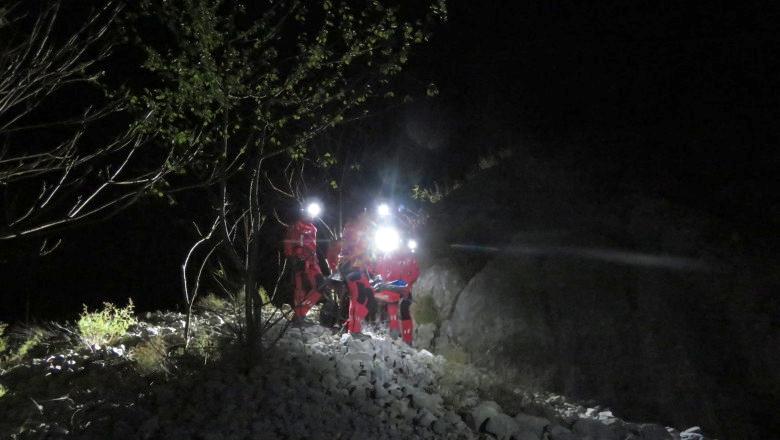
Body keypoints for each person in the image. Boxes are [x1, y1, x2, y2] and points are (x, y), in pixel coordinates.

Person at [284, 203, 325, 324]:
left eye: (313, 213)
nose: (311, 216)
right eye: (309, 213)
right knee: (300, 289)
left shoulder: (313, 228)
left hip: (312, 262)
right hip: (300, 261)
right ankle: (299, 317)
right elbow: (288, 243)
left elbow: (313, 247)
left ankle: (301, 313)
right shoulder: (296, 226)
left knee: (321, 285)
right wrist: (293, 258)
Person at [372, 245, 419, 344]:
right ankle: (394, 331)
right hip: (392, 288)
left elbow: (414, 273)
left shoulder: (409, 258)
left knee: (404, 308)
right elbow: (379, 272)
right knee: (392, 304)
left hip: (403, 288)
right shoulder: (387, 257)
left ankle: (407, 338)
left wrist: (406, 283)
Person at [338, 212, 374, 338]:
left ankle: (352, 326)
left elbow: (365, 254)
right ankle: (354, 330)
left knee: (364, 296)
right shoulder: (352, 229)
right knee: (361, 296)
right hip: (351, 267)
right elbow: (351, 249)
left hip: (357, 268)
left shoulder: (363, 231)